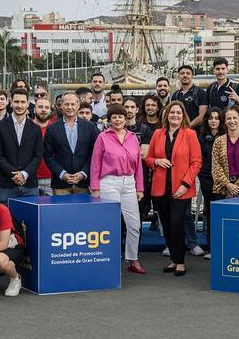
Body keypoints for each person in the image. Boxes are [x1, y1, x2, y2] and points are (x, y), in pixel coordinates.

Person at [145, 101, 201, 276]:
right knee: (167, 225)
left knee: (177, 223)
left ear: (183, 115)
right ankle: (173, 260)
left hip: (181, 188)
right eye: (172, 113)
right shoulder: (157, 134)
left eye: (178, 113)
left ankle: (181, 262)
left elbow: (196, 162)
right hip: (161, 188)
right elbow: (148, 158)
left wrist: (186, 184)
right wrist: (156, 161)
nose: (175, 115)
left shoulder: (190, 134)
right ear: (166, 115)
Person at [90, 103, 147, 274]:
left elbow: (138, 166)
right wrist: (95, 187)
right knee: (111, 224)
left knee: (134, 224)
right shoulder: (103, 137)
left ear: (126, 118)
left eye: (120, 116)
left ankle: (132, 259)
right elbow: (95, 163)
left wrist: (140, 187)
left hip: (129, 182)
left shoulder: (132, 138)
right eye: (114, 117)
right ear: (109, 119)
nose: (118, 120)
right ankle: (111, 259)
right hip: (108, 182)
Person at [0, 87, 43, 203]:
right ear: (11, 102)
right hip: (6, 184)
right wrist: (14, 174)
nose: (20, 105)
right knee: (4, 219)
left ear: (28, 103)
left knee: (30, 220)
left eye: (23, 102)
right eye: (17, 102)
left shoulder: (36, 129)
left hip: (29, 185)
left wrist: (24, 174)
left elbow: (38, 156)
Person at [45, 91, 97, 196]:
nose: (69, 107)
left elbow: (94, 153)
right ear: (61, 106)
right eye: (66, 104)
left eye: (72, 104)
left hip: (83, 183)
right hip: (60, 184)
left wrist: (83, 173)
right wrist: (62, 174)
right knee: (61, 212)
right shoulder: (52, 128)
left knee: (83, 212)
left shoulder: (90, 127)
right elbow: (47, 155)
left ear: (78, 105)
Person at [195, 108, 223, 250]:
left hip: (224, 180)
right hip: (207, 178)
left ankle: (223, 245)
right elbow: (198, 159)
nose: (213, 121)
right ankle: (212, 246)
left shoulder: (225, 136)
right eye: (211, 118)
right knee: (210, 211)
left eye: (217, 118)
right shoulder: (201, 137)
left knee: (222, 212)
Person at [171, 64, 207, 129]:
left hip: (195, 133)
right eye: (182, 73)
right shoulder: (175, 95)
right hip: (178, 132)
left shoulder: (200, 93)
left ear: (192, 76)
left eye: (188, 73)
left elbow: (202, 116)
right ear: (178, 76)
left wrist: (187, 127)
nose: (185, 75)